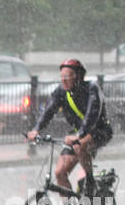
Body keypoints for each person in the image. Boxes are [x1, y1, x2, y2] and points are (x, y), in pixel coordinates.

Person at [26, 58, 113, 192]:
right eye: (62, 76)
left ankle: (90, 180)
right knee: (59, 173)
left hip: (99, 131)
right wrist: (36, 130)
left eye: (67, 76)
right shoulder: (61, 92)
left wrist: (79, 134)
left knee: (79, 145)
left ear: (78, 76)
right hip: (78, 134)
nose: (64, 80)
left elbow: (92, 114)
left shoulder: (92, 88)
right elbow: (48, 111)